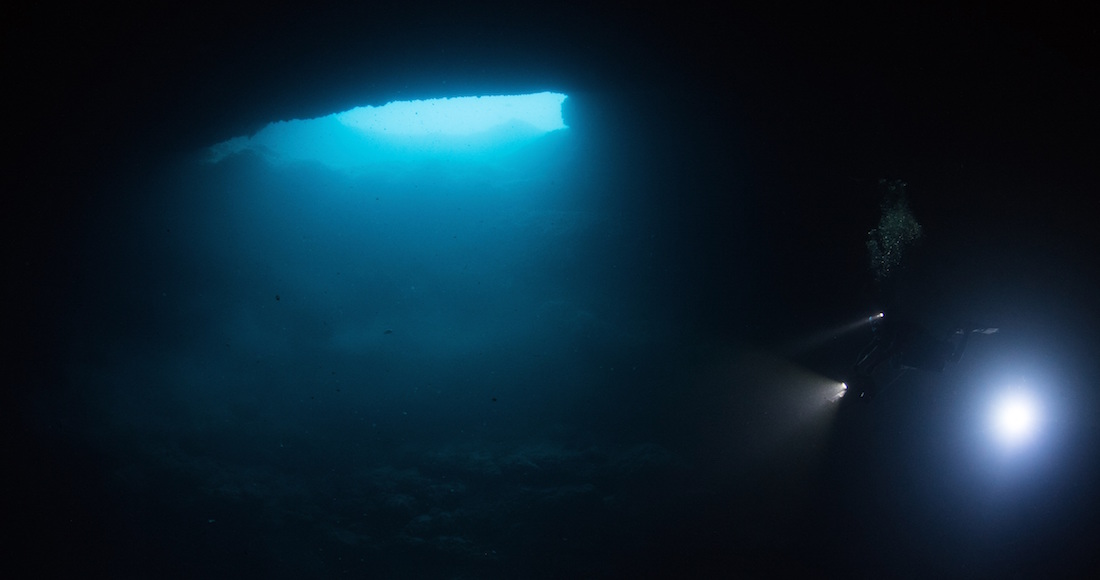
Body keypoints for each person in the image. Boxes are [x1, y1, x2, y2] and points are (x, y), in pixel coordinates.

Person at [847, 314, 997, 401]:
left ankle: (966, 331)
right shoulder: (884, 335)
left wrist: (871, 366)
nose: (876, 333)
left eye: (877, 329)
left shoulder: (893, 332)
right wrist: (858, 364)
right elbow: (871, 348)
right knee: (946, 359)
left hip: (921, 345)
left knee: (950, 359)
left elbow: (892, 349)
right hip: (920, 348)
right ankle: (960, 332)